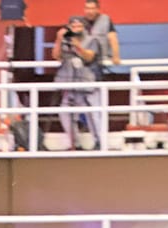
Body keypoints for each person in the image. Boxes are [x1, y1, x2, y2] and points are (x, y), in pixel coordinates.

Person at [53, 16, 102, 150]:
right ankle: (74, 143)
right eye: (73, 27)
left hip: (86, 82)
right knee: (65, 112)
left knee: (91, 113)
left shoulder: (92, 40)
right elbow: (56, 56)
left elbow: (89, 57)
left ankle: (98, 142)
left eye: (79, 26)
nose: (75, 29)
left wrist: (78, 46)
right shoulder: (65, 41)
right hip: (68, 82)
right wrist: (58, 39)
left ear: (84, 27)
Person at [83, 0, 120, 68]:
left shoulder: (105, 20)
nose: (90, 11)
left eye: (92, 8)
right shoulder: (79, 22)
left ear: (97, 9)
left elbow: (113, 38)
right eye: (87, 8)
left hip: (101, 59)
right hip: (85, 59)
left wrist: (116, 56)